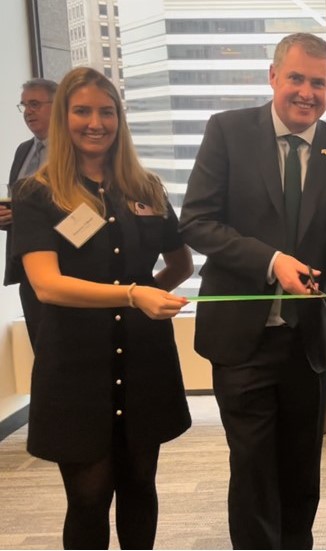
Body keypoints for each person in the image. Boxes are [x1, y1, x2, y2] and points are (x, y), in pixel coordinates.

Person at [178, 33, 326, 549]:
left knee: (302, 469)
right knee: (254, 468)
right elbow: (196, 222)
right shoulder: (228, 132)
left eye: (318, 83)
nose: (307, 92)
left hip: (307, 345)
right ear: (273, 77)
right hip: (242, 341)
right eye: (297, 79)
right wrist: (271, 261)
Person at [11, 67, 193, 549]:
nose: (96, 123)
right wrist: (134, 294)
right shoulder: (38, 194)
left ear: (120, 119)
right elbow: (47, 285)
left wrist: (151, 294)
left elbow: (181, 262)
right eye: (83, 111)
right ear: (63, 119)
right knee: (88, 498)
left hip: (144, 362)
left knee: (140, 488)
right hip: (76, 368)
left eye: (106, 111)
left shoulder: (146, 188)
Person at [2, 78, 58, 348]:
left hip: (66, 267)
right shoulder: (23, 150)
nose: (28, 112)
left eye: (35, 104)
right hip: (26, 269)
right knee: (42, 348)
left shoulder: (75, 151)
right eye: (24, 105)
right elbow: (20, 203)